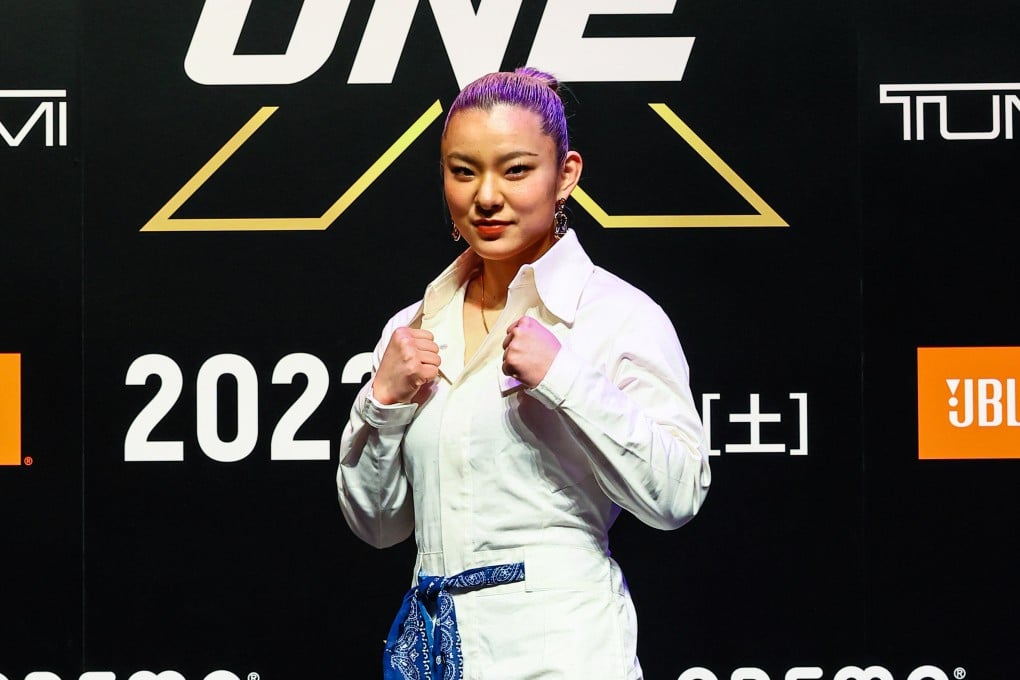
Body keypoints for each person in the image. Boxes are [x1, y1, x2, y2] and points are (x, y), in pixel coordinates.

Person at [337, 67, 711, 680]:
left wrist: (565, 379)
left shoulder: (615, 314)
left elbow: (677, 495)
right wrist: (383, 402)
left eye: (515, 170)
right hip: (435, 653)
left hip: (565, 654)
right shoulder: (413, 327)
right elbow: (377, 526)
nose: (486, 196)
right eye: (463, 171)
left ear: (565, 175)